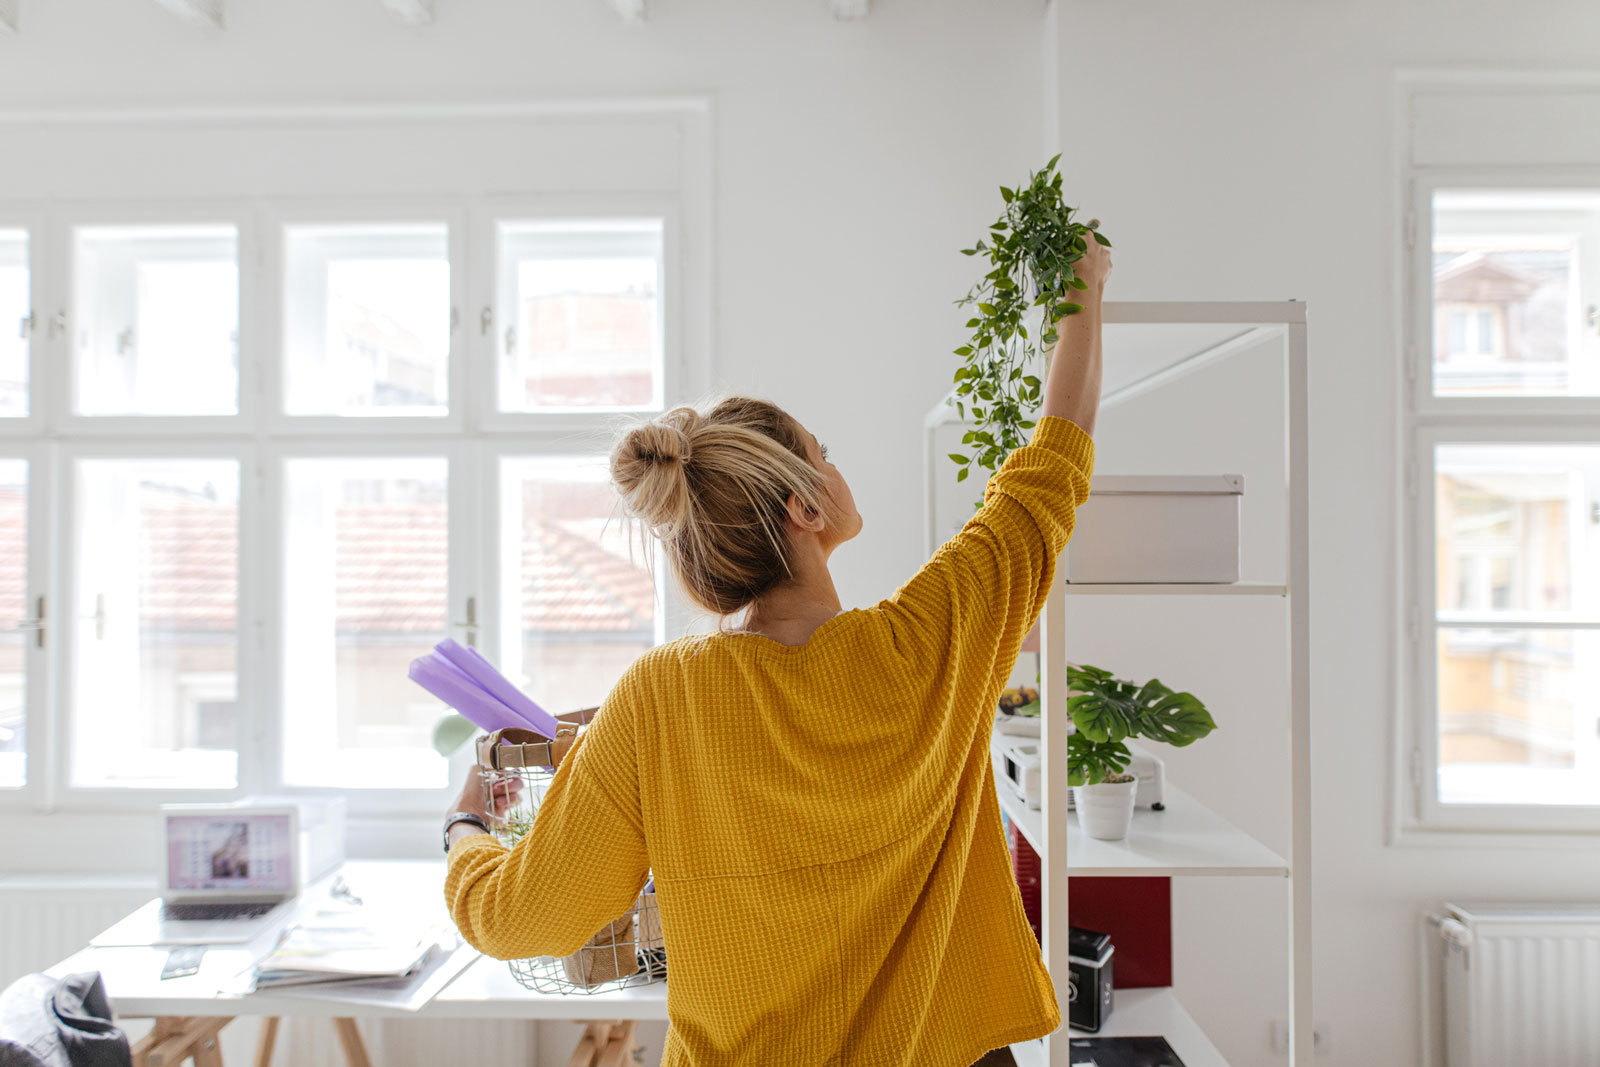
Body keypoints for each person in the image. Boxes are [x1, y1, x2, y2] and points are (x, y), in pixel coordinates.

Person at [442, 234, 1110, 1066]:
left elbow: (520, 920)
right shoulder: (933, 640)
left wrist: (465, 827)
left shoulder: (660, 696)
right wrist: (1085, 286)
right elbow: (1052, 464)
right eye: (824, 454)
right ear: (804, 505)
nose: (838, 464)